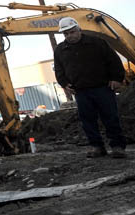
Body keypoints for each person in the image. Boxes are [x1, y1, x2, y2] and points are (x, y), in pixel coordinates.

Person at [53, 17, 126, 158]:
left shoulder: (97, 43)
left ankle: (117, 146)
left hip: (103, 88)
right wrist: (64, 83)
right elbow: (59, 69)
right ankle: (97, 147)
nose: (69, 36)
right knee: (87, 120)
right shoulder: (61, 50)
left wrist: (117, 78)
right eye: (66, 34)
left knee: (110, 117)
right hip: (80, 91)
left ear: (79, 29)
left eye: (72, 32)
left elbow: (114, 61)